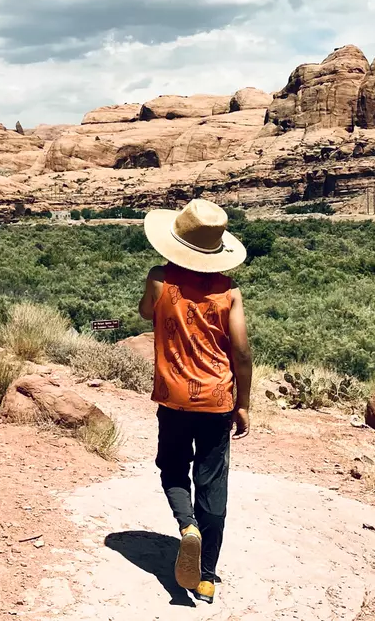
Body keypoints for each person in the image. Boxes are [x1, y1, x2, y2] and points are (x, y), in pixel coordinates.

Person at [137, 198, 251, 605]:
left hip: (173, 398)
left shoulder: (159, 278)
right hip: (217, 400)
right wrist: (243, 403)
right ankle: (206, 578)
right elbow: (241, 352)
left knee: (172, 467)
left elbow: (146, 313)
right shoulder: (229, 291)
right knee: (212, 480)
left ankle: (187, 527)